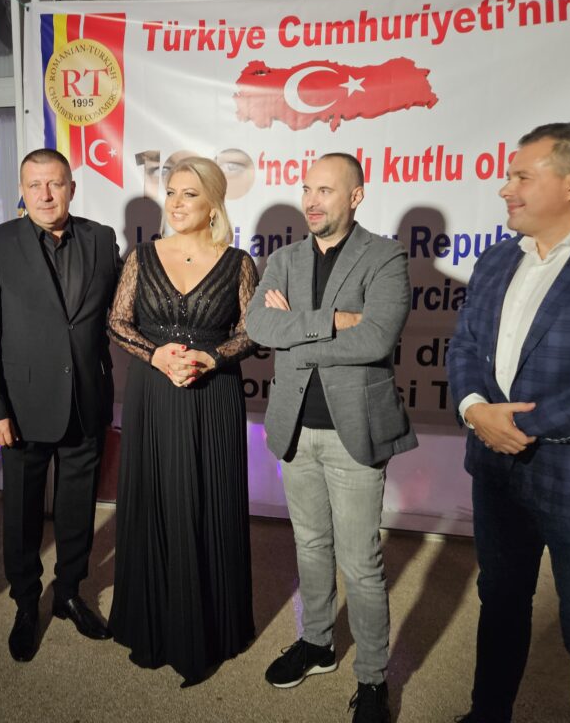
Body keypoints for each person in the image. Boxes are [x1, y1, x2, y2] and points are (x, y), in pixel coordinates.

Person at [447, 123, 570, 723]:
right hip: (496, 473)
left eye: (522, 176)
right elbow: (464, 345)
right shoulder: (499, 257)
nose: (506, 189)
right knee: (500, 602)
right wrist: (474, 410)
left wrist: (522, 424)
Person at [245, 153, 416, 723]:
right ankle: (317, 643)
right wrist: (333, 319)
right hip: (295, 427)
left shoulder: (384, 256)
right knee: (311, 547)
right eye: (306, 189)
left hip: (354, 432)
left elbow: (376, 339)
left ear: (356, 196)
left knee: (361, 562)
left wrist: (296, 330)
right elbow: (259, 326)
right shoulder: (283, 259)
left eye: (326, 190)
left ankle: (372, 678)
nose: (312, 200)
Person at [107, 156, 258, 686]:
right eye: (171, 192)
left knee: (208, 500)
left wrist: (211, 358)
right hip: (154, 394)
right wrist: (157, 355)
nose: (175, 203)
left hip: (212, 395)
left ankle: (210, 628)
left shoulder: (238, 263)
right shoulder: (142, 256)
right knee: (155, 500)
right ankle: (151, 623)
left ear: (213, 203)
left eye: (189, 194)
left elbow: (252, 331)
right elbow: (117, 322)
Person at [0, 148, 122, 663]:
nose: (46, 194)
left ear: (71, 187)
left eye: (55, 184)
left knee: (78, 509)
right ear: (22, 190)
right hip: (20, 408)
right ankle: (25, 603)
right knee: (22, 514)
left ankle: (70, 593)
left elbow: (116, 314)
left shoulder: (101, 238)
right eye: (34, 185)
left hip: (86, 401)